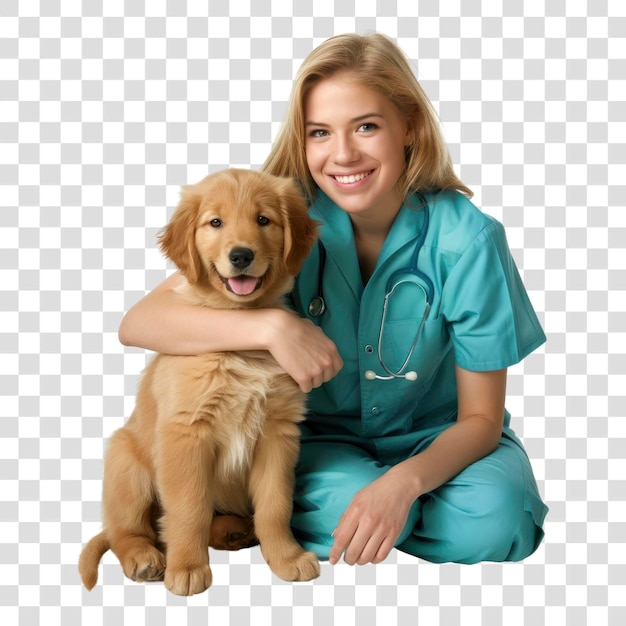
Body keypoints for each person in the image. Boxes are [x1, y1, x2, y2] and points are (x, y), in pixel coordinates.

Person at [119, 33, 548, 566]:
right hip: (326, 446)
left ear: (409, 124)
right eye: (319, 132)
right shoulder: (282, 223)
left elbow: (481, 420)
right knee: (348, 500)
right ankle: (381, 517)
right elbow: (142, 321)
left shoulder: (467, 240)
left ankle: (388, 516)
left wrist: (402, 485)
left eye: (366, 126)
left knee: (495, 518)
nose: (343, 154)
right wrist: (272, 328)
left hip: (443, 440)